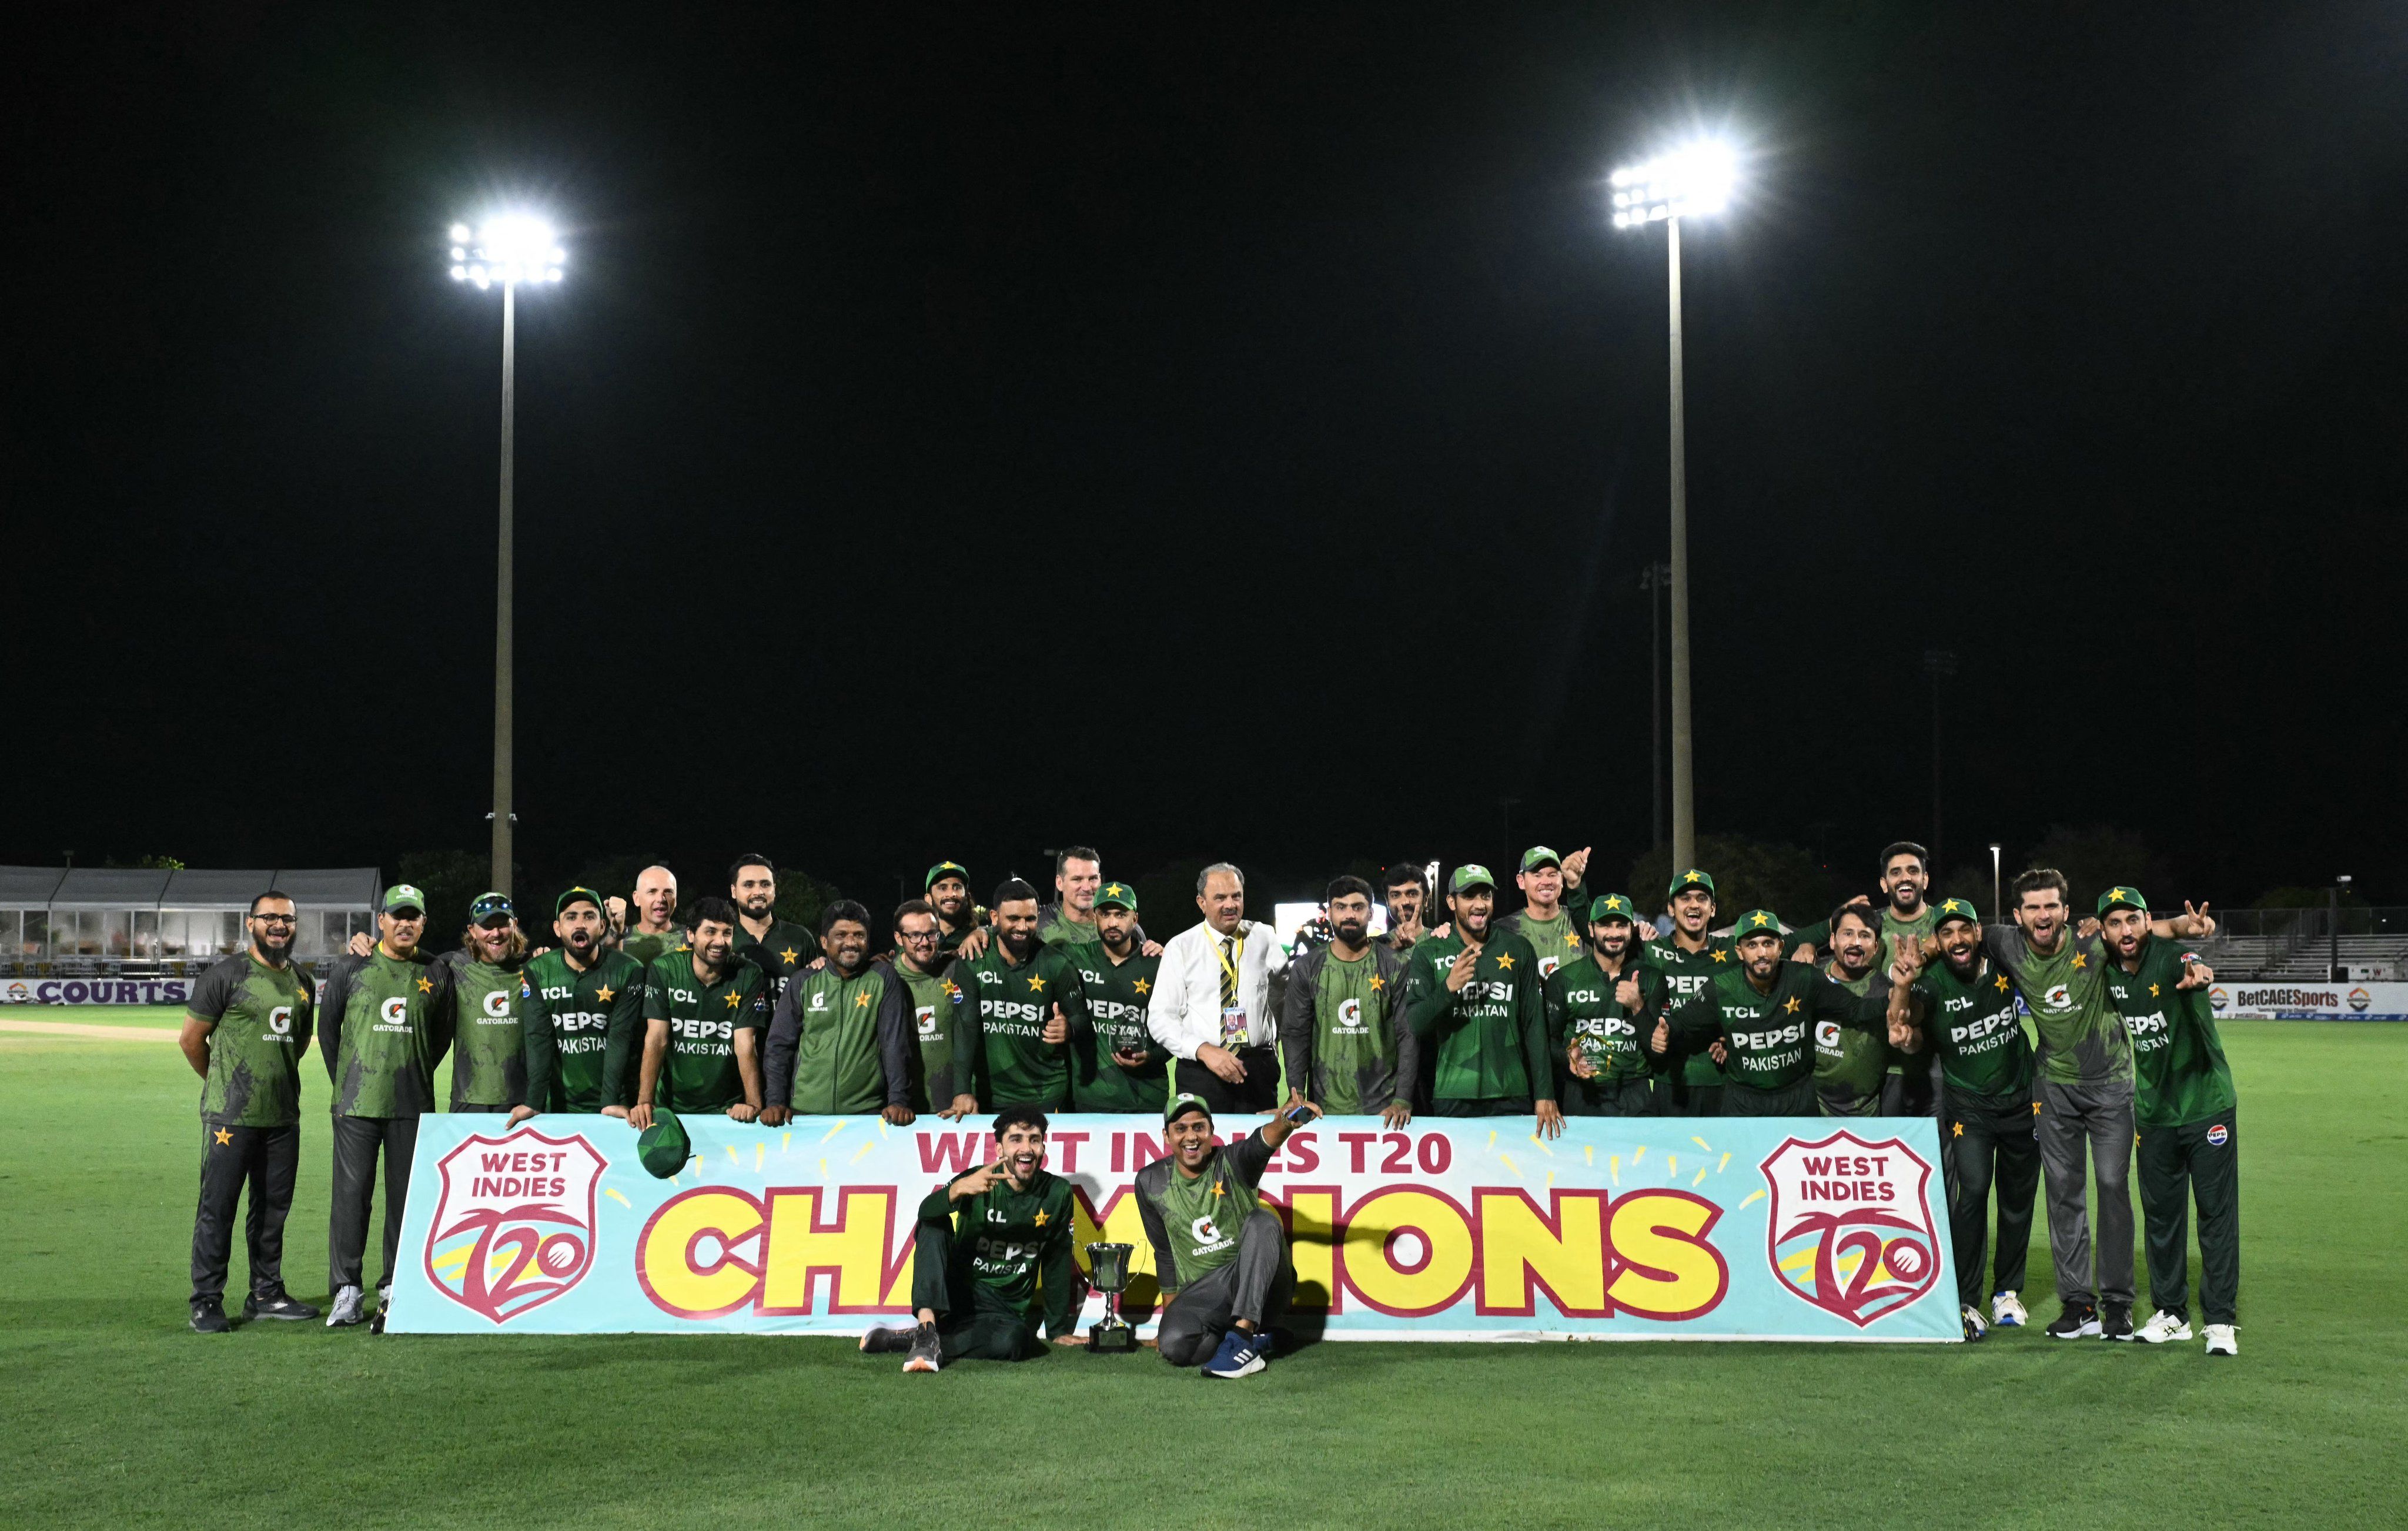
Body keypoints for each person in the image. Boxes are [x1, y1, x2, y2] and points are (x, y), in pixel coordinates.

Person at [1987, 868, 2214, 1341]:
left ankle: (2118, 1302)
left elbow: (2150, 929)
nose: (2043, 914)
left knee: (2112, 1186)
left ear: (2067, 912)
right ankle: (2078, 1303)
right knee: (2063, 1192)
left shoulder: (2093, 941)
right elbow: (1950, 938)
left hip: (2111, 1085)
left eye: (2052, 905)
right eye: (2033, 907)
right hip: (2052, 1087)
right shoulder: (2005, 944)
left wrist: (2190, 929)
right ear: (2017, 915)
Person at [1887, 897, 2041, 1338]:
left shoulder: (2001, 964)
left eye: (1964, 930)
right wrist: (1903, 999)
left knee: (2016, 1201)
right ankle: (1964, 1297)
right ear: (1938, 940)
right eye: (1947, 932)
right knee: (1971, 1194)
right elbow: (1909, 1017)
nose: (1958, 939)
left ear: (1977, 933)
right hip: (1969, 1109)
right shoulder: (1931, 982)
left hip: (2021, 1102)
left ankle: (2007, 1292)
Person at [2098, 887, 2239, 1356]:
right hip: (2154, 1113)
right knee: (2162, 1218)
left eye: (2133, 920)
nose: (2126, 931)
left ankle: (2219, 1321)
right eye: (2115, 923)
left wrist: (2200, 972)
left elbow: (2192, 959)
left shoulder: (2173, 957)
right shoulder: (2107, 971)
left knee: (2215, 1216)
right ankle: (2172, 1313)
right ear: (2104, 931)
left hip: (2206, 1105)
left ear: (2147, 922)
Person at [180, 890, 319, 1331]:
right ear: (250, 923)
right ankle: (206, 1300)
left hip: (281, 1119)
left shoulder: (303, 982)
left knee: (272, 1212)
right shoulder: (226, 975)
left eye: (287, 919)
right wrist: (225, 1085)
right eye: (269, 918)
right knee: (217, 1210)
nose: (279, 926)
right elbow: (190, 1041)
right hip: (230, 1120)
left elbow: (297, 1045)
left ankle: (266, 1294)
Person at [319, 883, 453, 1331]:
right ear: (380, 921)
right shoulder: (351, 966)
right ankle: (346, 1290)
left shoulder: (437, 971)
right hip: (356, 1105)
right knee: (351, 1199)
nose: (406, 923)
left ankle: (395, 1284)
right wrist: (351, 1080)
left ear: (423, 923)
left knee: (404, 1200)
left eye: (414, 916)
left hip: (410, 1105)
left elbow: (440, 1038)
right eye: (397, 915)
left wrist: (409, 1071)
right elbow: (329, 1034)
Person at [858, 1106, 1081, 1371]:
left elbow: (1057, 1258)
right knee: (934, 1223)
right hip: (954, 1296)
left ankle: (916, 1339)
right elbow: (925, 1213)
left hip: (1003, 1312)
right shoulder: (976, 1178)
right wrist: (958, 1189)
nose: (1026, 1148)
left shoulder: (1058, 1192)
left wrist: (1057, 1330)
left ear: (1043, 1148)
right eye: (1016, 1139)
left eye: (1034, 1140)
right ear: (999, 1149)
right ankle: (928, 1326)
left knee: (1016, 1342)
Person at [1138, 1092, 1314, 1378]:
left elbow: (1265, 1139)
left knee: (1263, 1221)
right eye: (1180, 1129)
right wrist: (1169, 1319)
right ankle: (1258, 1341)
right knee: (1176, 1347)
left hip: (1263, 1286)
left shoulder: (1235, 1161)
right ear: (1166, 1136)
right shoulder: (1150, 1182)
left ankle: (1242, 1339)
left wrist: (1289, 1120)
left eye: (1199, 1127)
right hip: (1207, 1296)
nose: (1191, 1136)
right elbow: (1164, 1253)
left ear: (1211, 1132)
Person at [1648, 910, 1885, 1115]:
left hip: (1797, 1100)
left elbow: (1857, 1009)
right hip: (1743, 1103)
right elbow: (1681, 1024)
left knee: (1796, 1167)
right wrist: (1665, 1032)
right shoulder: (1720, 987)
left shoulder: (1806, 978)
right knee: (1740, 1166)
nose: (1761, 953)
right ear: (1740, 952)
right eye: (1752, 945)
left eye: (1768, 943)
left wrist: (1896, 998)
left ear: (1780, 947)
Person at [1402, 865, 1563, 1137]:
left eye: (1486, 896)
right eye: (1469, 896)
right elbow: (1416, 1024)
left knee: (1512, 1177)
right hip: (1454, 1093)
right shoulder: (1429, 951)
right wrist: (1449, 988)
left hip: (1511, 1091)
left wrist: (1545, 1093)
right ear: (1452, 902)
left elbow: (1534, 1024)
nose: (1479, 905)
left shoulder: (1518, 948)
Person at [1146, 863, 1290, 1115]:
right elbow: (1160, 1018)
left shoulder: (1264, 937)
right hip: (1202, 1071)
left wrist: (1270, 1041)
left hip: (1257, 1069)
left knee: (1259, 1149)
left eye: (1237, 896)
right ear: (1202, 902)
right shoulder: (1181, 947)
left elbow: (1283, 994)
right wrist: (1203, 1050)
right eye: (1220, 898)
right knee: (1203, 1149)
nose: (1231, 905)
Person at [761, 900, 915, 1122]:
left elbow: (895, 1045)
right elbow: (779, 1047)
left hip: (866, 1116)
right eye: (841, 935)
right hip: (804, 1115)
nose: (851, 943)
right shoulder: (803, 982)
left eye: (859, 935)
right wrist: (775, 1102)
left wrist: (898, 1101)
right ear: (824, 941)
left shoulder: (883, 978)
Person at [1280, 875, 1414, 1125]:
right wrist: (1296, 1095)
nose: (1349, 915)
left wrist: (1403, 1100)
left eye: (1358, 907)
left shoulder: (1396, 966)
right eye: (1341, 907)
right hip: (1324, 1110)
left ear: (1371, 914)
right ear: (1330, 912)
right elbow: (1295, 1034)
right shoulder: (1307, 967)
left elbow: (1407, 1035)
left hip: (1384, 1112)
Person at [629, 897, 770, 1126]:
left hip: (726, 1109)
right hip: (670, 1106)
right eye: (711, 932)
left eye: (727, 933)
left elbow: (745, 1043)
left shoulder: (749, 974)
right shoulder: (664, 969)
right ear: (691, 935)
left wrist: (754, 1104)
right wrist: (644, 1101)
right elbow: (657, 1039)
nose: (720, 941)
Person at [946, 879, 1078, 1115]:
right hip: (989, 1095)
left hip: (1046, 1094)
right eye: (1013, 919)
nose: (1023, 927)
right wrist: (961, 1091)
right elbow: (965, 1027)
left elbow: (1082, 1021)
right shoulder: (973, 960)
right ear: (995, 918)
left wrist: (1070, 1029)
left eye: (1030, 919)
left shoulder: (1057, 963)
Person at [517, 887, 646, 1119]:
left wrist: (609, 1102)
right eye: (571, 917)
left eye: (589, 916)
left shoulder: (629, 970)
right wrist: (534, 1102)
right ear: (558, 928)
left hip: (615, 1103)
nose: (580, 924)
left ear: (603, 926)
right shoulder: (538, 970)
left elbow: (621, 1037)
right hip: (560, 1106)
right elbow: (538, 1038)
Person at [1546, 894, 1667, 1117]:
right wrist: (1568, 1057)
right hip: (1582, 1095)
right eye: (1605, 925)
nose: (1613, 933)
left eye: (1621, 925)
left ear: (1632, 929)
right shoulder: (1563, 979)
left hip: (1637, 1097)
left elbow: (1659, 1053)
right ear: (1591, 929)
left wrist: (1638, 1006)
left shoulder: (1653, 977)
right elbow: (1547, 1042)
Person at [1059, 881, 1168, 1114]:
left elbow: (1179, 1031)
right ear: (1094, 918)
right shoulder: (1074, 958)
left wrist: (1152, 1056)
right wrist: (981, 932)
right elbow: (1024, 945)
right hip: (1091, 1098)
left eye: (1121, 914)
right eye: (1105, 914)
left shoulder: (1160, 964)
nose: (1112, 922)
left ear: (1135, 919)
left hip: (1148, 1099)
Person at [1638, 868, 1734, 1116]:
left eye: (1702, 898)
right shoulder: (1651, 951)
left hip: (1720, 1082)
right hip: (1668, 1082)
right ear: (1671, 908)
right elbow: (1598, 937)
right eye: (1685, 898)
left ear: (1713, 909)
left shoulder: (1733, 952)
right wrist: (1575, 890)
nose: (1694, 905)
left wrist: (1730, 1039)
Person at [432, 891, 529, 1114]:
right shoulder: (452, 965)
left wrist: (614, 934)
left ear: (514, 925)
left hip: (521, 1102)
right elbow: (404, 959)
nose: (496, 933)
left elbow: (591, 962)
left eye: (502, 924)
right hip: (469, 1099)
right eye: (487, 926)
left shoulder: (534, 967)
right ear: (472, 931)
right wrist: (365, 948)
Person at [1811, 900, 1897, 1118]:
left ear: (1876, 947)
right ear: (1832, 940)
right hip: (1812, 1107)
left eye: (1865, 936)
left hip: (1864, 1113)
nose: (1856, 942)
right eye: (1847, 933)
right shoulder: (1811, 980)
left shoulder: (1887, 991)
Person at [886, 898, 966, 1113]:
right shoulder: (884, 978)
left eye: (931, 934)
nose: (924, 942)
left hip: (952, 1108)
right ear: (898, 938)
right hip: (902, 1108)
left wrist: (983, 932)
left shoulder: (957, 970)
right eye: (914, 935)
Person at [728, 854, 821, 1004]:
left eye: (765, 884)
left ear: (774, 889)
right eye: (749, 885)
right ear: (734, 891)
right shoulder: (722, 940)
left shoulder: (800, 938)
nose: (758, 892)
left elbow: (816, 995)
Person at [1494, 845, 1596, 979]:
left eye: (1552, 875)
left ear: (1562, 880)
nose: (1546, 881)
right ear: (1521, 881)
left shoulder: (1580, 921)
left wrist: (1575, 884)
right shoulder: (1503, 930)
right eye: (1537, 875)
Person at [1038, 845, 1106, 948]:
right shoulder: (1038, 921)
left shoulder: (1119, 926)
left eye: (1093, 878)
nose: (1087, 888)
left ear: (1100, 880)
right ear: (1060, 883)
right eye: (1077, 879)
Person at [617, 865, 685, 966]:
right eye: (652, 892)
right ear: (637, 898)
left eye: (668, 892)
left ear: (676, 900)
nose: (661, 899)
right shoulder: (620, 940)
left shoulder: (692, 938)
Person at [923, 861, 986, 961]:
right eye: (943, 888)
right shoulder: (916, 940)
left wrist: (984, 932)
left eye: (957, 887)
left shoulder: (980, 939)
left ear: (967, 897)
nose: (952, 893)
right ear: (929, 899)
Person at [1380, 860, 1434, 954]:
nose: (1405, 902)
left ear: (1425, 900)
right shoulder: (1375, 946)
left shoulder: (1442, 942)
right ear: (1387, 902)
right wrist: (1393, 947)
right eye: (1396, 895)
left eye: (1412, 894)